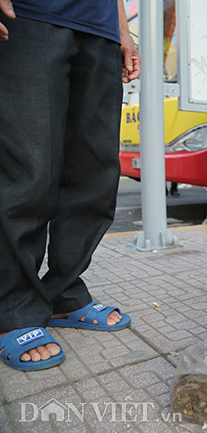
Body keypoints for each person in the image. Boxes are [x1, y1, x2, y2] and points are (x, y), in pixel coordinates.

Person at [0, 0, 140, 371]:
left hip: (100, 28)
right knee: (29, 168)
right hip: (29, 15)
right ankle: (13, 309)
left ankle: (63, 290)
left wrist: (122, 30)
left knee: (94, 171)